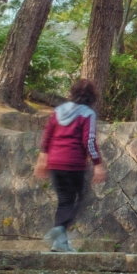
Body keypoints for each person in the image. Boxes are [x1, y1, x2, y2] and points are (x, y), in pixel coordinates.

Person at [36, 77, 105, 253]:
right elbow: (88, 141)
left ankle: (60, 243)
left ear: (73, 93)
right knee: (81, 198)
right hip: (73, 163)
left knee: (64, 200)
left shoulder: (58, 111)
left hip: (54, 162)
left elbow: (47, 136)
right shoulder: (87, 114)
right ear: (92, 97)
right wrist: (97, 164)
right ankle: (58, 229)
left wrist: (42, 160)